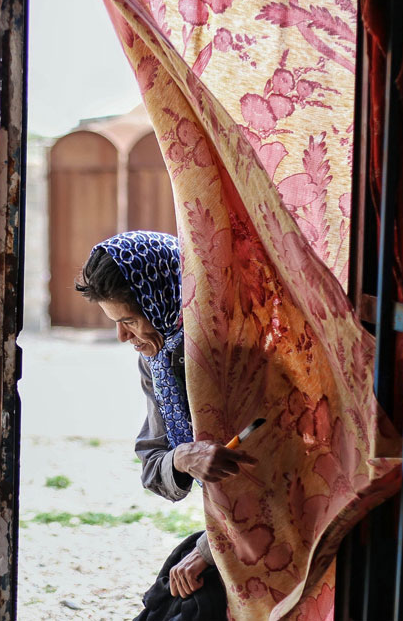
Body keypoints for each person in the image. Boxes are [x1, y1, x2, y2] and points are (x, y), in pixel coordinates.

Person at [74, 230, 257, 606]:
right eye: (114, 322)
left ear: (161, 300)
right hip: (227, 524)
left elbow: (275, 476)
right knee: (165, 597)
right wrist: (181, 458)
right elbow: (153, 463)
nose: (124, 336)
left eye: (129, 320)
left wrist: (209, 550)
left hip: (267, 525)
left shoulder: (231, 348)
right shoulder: (156, 360)